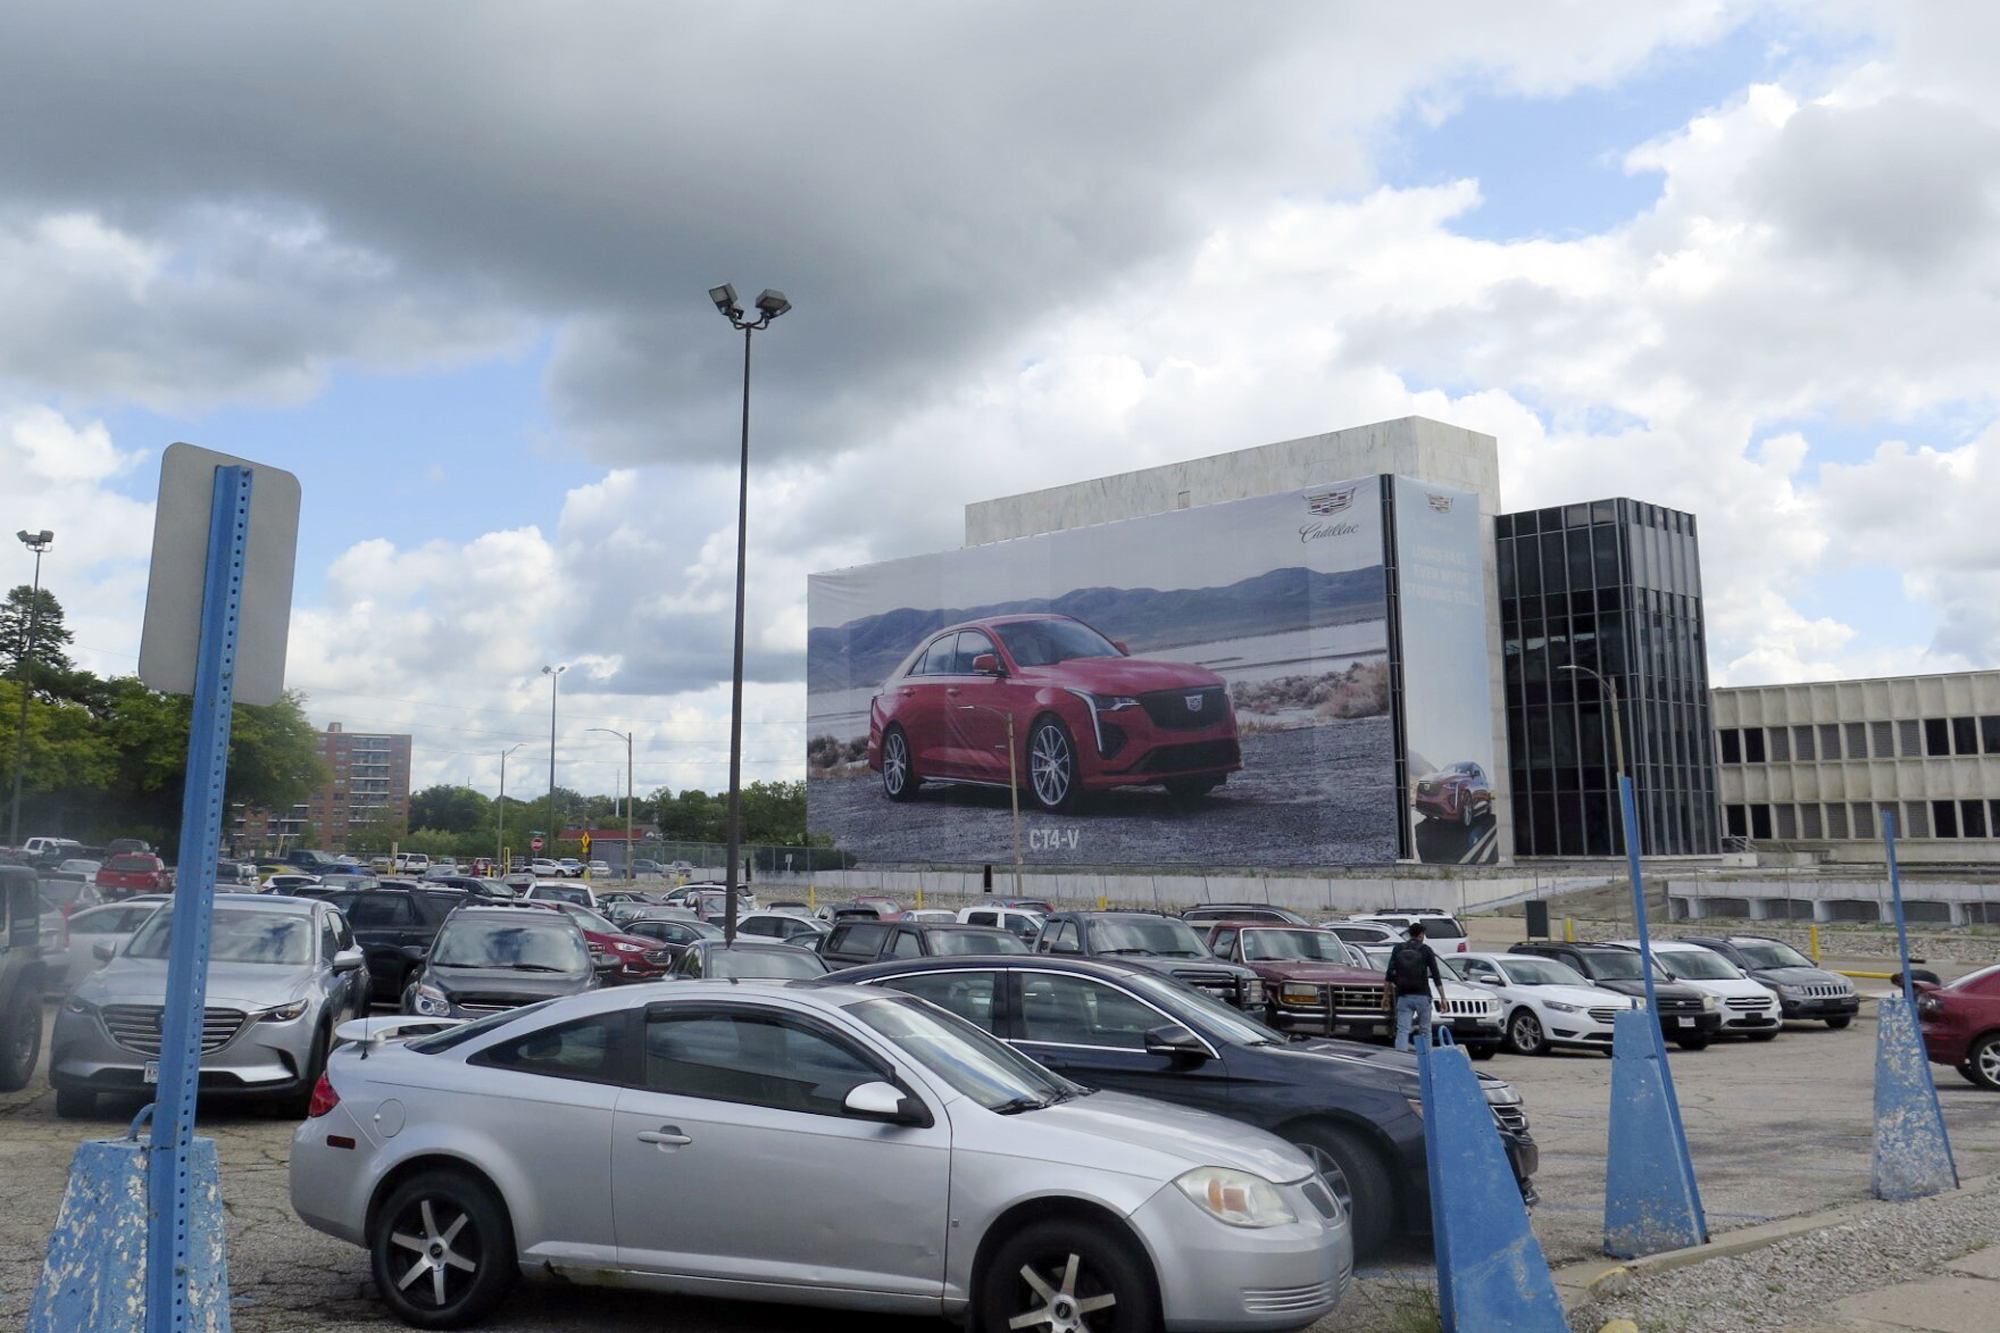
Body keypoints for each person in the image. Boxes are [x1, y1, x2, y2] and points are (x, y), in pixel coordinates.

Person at [1385, 922, 1447, 1053]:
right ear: (1421, 934)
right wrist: (1443, 998)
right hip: (1423, 995)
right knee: (1425, 1030)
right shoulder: (1426, 950)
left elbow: (1389, 974)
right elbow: (1436, 975)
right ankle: (1426, 1058)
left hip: (1403, 995)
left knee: (1403, 1029)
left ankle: (1401, 1059)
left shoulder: (1398, 949)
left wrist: (1385, 996)